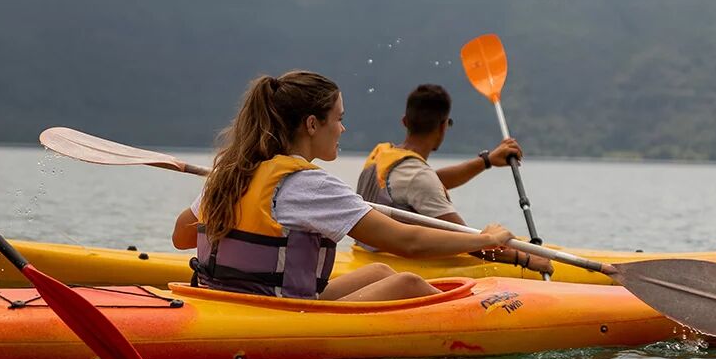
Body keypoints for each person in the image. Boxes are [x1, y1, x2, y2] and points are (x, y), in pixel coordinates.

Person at [172, 70, 514, 302]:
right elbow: (407, 241)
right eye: (339, 118)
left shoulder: (232, 172)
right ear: (311, 124)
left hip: (227, 300)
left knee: (380, 270)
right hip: (280, 312)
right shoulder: (309, 185)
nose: (342, 129)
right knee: (407, 282)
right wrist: (487, 239)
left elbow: (182, 237)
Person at [356, 84, 553, 275]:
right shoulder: (419, 178)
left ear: (405, 121)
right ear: (443, 126)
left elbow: (429, 183)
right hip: (395, 267)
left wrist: (486, 161)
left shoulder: (383, 154)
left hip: (364, 257)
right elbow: (471, 243)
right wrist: (527, 259)